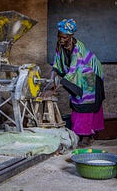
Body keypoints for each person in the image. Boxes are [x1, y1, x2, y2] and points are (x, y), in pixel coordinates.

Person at [43, 18, 105, 147]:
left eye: (64, 37)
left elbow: (73, 72)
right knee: (76, 100)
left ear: (71, 36)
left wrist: (55, 88)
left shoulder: (78, 50)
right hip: (79, 76)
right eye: (59, 37)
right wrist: (51, 81)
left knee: (85, 103)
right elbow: (57, 63)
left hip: (91, 75)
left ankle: (87, 136)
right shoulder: (60, 45)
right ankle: (82, 132)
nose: (61, 40)